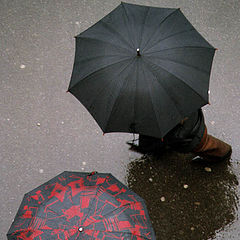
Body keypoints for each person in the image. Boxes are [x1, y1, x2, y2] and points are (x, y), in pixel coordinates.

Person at [132, 109, 232, 162]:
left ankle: (221, 153)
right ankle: (155, 147)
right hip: (177, 123)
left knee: (202, 144)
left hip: (185, 130)